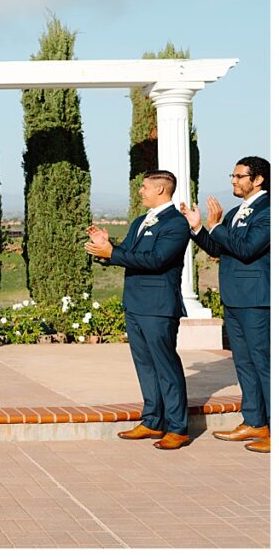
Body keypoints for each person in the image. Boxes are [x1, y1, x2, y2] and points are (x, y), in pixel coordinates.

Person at [85, 170, 191, 450]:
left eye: (144, 187)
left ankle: (178, 428)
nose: (140, 192)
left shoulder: (176, 224)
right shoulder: (140, 221)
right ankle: (152, 420)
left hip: (158, 307)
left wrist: (113, 253)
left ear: (160, 190)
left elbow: (156, 260)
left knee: (165, 366)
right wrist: (107, 247)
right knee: (145, 366)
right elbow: (130, 256)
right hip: (134, 304)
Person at [180, 156, 270, 454]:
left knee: (266, 365)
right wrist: (199, 230)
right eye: (232, 174)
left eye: (239, 175)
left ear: (258, 180)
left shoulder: (269, 210)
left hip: (258, 300)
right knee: (244, 363)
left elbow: (247, 249)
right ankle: (255, 421)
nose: (233, 180)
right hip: (233, 299)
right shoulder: (234, 213)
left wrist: (217, 226)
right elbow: (220, 248)